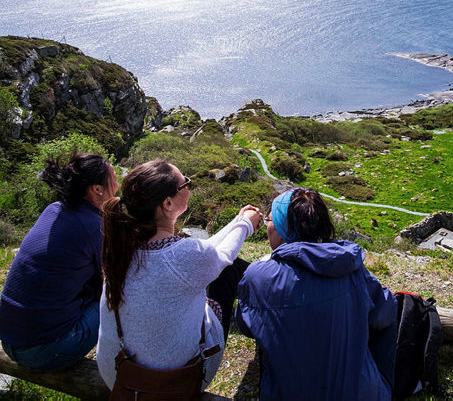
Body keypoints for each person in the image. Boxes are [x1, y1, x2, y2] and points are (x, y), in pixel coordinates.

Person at [95, 159, 263, 391]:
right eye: (186, 184)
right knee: (224, 277)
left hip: (118, 376)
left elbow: (205, 254)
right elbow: (221, 256)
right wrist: (246, 224)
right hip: (175, 382)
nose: (189, 187)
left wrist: (237, 221)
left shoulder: (121, 247)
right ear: (168, 203)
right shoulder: (184, 256)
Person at [236, 188, 397, 400]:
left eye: (270, 220)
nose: (268, 226)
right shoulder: (349, 264)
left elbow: (246, 324)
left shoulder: (258, 276)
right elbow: (385, 312)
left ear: (284, 229)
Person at [0, 152, 118, 371]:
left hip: (8, 339)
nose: (118, 183)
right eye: (114, 177)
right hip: (43, 351)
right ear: (97, 189)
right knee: (118, 299)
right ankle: (125, 369)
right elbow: (113, 282)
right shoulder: (95, 226)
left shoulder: (53, 209)